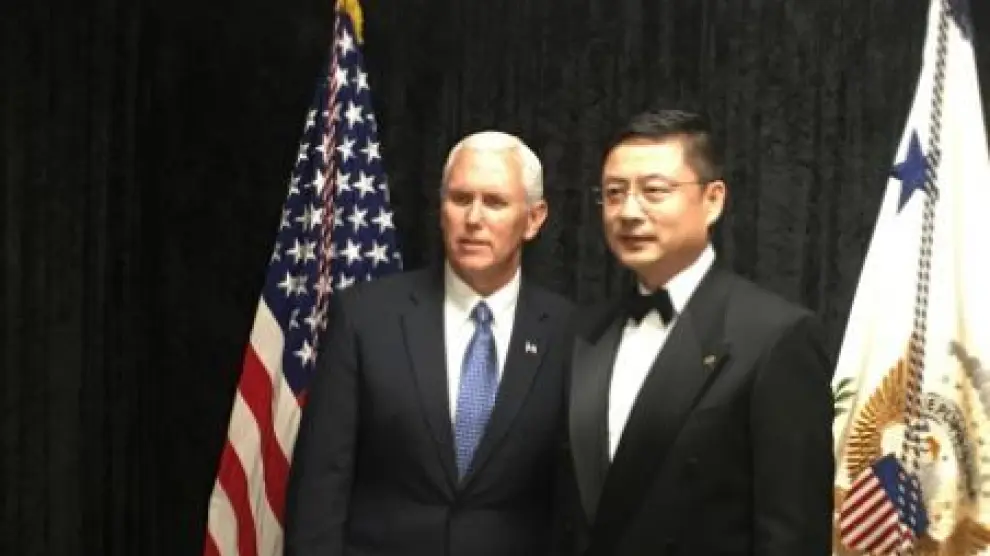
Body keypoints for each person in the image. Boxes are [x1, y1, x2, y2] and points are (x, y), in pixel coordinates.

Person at [284, 131, 574, 556]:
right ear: (441, 210)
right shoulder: (366, 317)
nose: (473, 218)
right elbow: (320, 483)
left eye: (495, 202)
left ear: (534, 218)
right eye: (460, 199)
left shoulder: (570, 334)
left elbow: (572, 500)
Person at [565, 108, 834, 555]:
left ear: (713, 200)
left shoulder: (776, 337)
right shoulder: (584, 330)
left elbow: (793, 533)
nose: (628, 212)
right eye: (614, 193)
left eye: (654, 191)